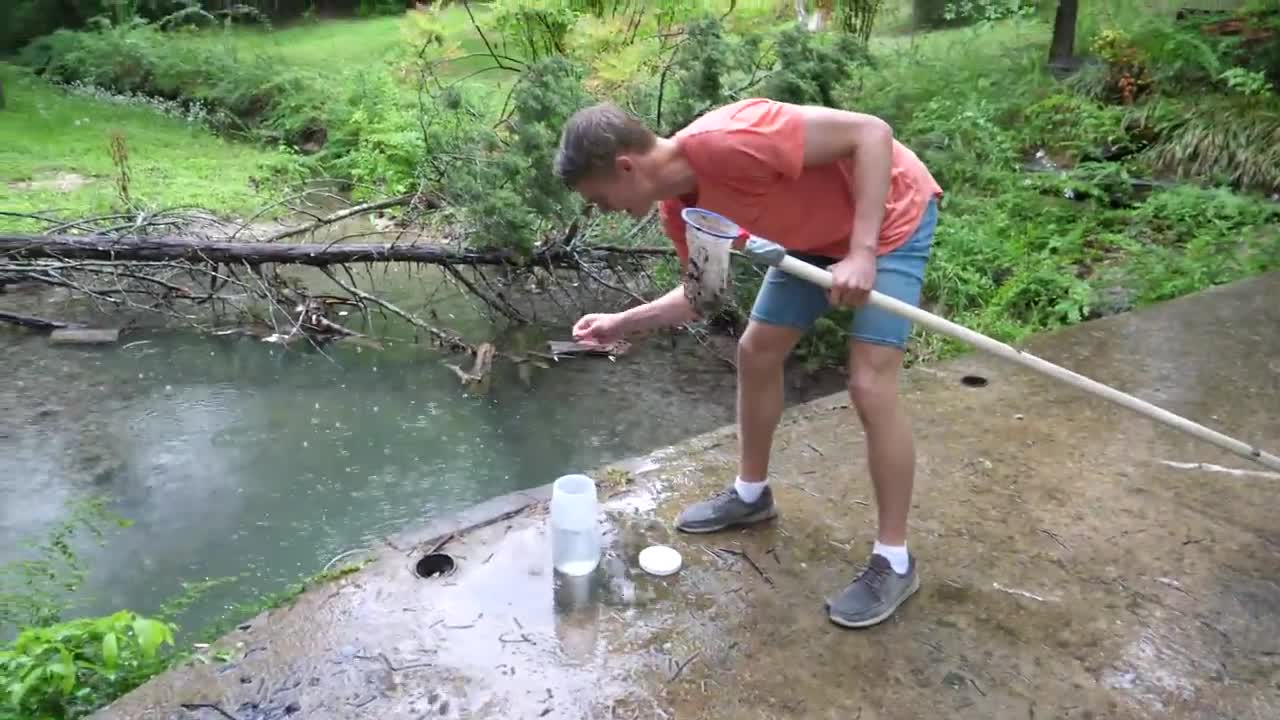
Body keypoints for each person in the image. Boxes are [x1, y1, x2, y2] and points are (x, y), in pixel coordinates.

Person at [552, 98, 943, 628]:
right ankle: (751, 495)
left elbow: (871, 132)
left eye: (599, 199)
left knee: (870, 384)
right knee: (756, 351)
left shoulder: (731, 140)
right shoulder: (681, 209)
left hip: (891, 219)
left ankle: (894, 560)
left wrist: (863, 251)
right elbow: (702, 297)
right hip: (813, 241)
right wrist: (619, 324)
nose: (604, 211)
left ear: (626, 166)